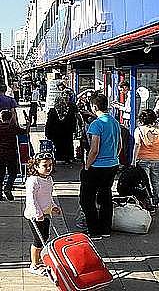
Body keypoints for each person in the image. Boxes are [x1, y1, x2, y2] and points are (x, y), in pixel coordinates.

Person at [81, 93, 121, 238]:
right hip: (113, 164)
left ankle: (94, 230)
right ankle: (105, 229)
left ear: (94, 107)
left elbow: (94, 149)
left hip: (97, 166)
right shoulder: (115, 122)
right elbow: (120, 145)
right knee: (105, 196)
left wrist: (87, 166)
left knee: (87, 198)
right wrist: (113, 157)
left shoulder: (96, 124)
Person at [24, 152, 61, 276]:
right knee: (38, 240)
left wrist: (54, 206)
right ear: (36, 166)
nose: (49, 168)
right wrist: (37, 213)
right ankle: (33, 265)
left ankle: (40, 260)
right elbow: (31, 199)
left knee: (45, 237)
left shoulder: (49, 179)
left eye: (50, 165)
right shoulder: (33, 181)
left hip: (46, 213)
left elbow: (48, 196)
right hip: (35, 216)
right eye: (45, 165)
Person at [132, 109, 159, 212]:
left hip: (142, 159)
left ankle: (148, 203)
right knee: (156, 181)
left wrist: (133, 160)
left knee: (145, 182)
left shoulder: (139, 130)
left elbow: (137, 145)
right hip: (157, 159)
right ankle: (155, 202)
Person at [0, 110, 30, 201]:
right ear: (10, 118)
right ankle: (8, 187)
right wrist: (28, 123)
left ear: (1, 118)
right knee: (13, 173)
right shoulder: (13, 127)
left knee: (0, 174)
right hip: (11, 153)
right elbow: (25, 132)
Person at [45, 89, 77, 163]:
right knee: (67, 144)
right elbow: (73, 122)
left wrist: (47, 133)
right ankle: (68, 158)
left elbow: (49, 123)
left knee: (57, 145)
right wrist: (74, 130)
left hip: (56, 133)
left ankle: (59, 158)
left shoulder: (52, 111)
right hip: (67, 133)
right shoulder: (69, 111)